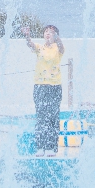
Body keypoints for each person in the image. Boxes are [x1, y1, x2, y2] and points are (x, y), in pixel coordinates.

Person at [23, 24, 64, 157]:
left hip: (55, 86)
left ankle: (51, 147)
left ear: (55, 35)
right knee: (41, 116)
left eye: (51, 32)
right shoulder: (40, 48)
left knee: (53, 117)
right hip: (40, 85)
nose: (47, 34)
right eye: (46, 31)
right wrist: (27, 36)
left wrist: (56, 38)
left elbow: (61, 46)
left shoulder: (58, 48)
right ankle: (40, 146)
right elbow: (30, 45)